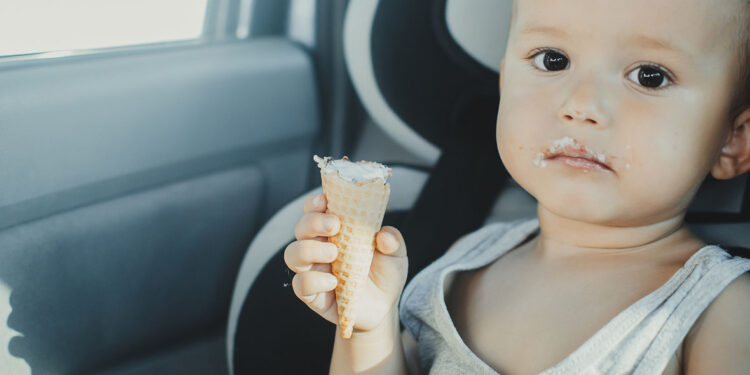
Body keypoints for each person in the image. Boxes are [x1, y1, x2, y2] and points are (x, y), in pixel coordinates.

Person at [283, 0, 750, 373]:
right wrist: (367, 328)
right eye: (552, 60)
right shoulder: (464, 262)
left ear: (733, 142)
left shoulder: (721, 314)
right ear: (506, 83)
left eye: (650, 75)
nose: (580, 104)